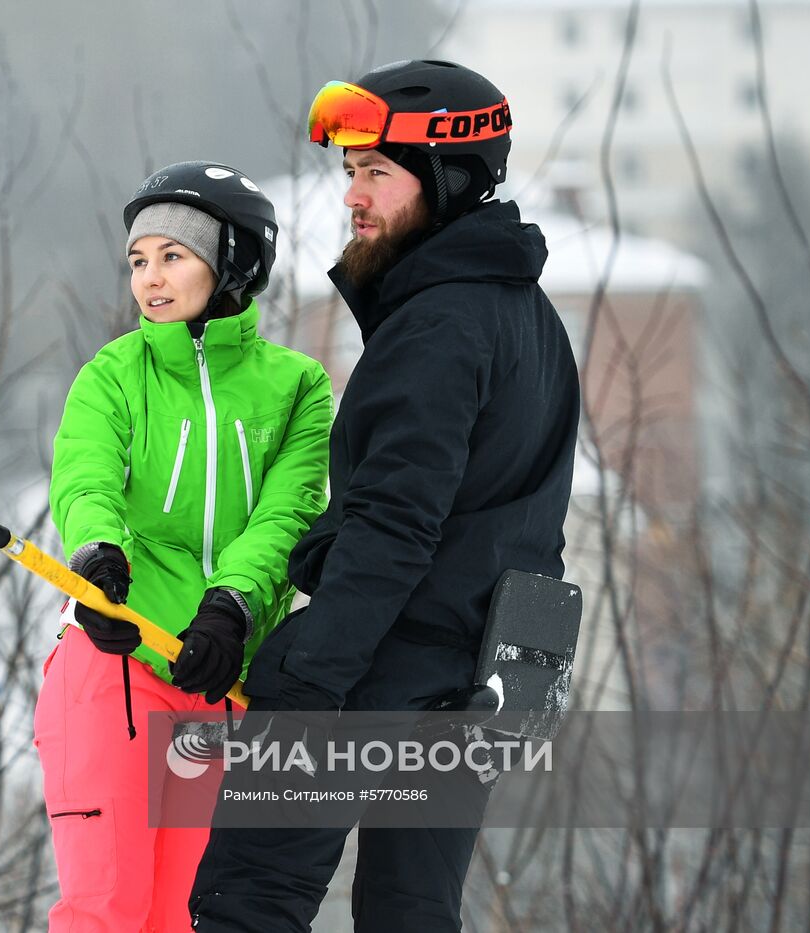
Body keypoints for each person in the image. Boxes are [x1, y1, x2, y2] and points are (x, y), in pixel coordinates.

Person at [189, 60, 582, 931]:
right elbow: (532, 529)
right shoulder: (530, 318)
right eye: (349, 172)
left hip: (377, 665)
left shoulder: (440, 325)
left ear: (446, 181)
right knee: (412, 912)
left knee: (246, 900)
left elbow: (394, 523)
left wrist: (308, 670)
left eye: (378, 172)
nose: (354, 196)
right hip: (479, 678)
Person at [34, 161, 333, 932]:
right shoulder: (114, 375)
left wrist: (230, 607)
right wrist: (99, 555)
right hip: (116, 666)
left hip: (215, 682)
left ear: (232, 261)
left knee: (183, 916)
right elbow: (85, 476)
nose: (150, 279)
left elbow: (287, 515)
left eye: (174, 255)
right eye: (139, 260)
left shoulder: (298, 387)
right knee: (107, 908)